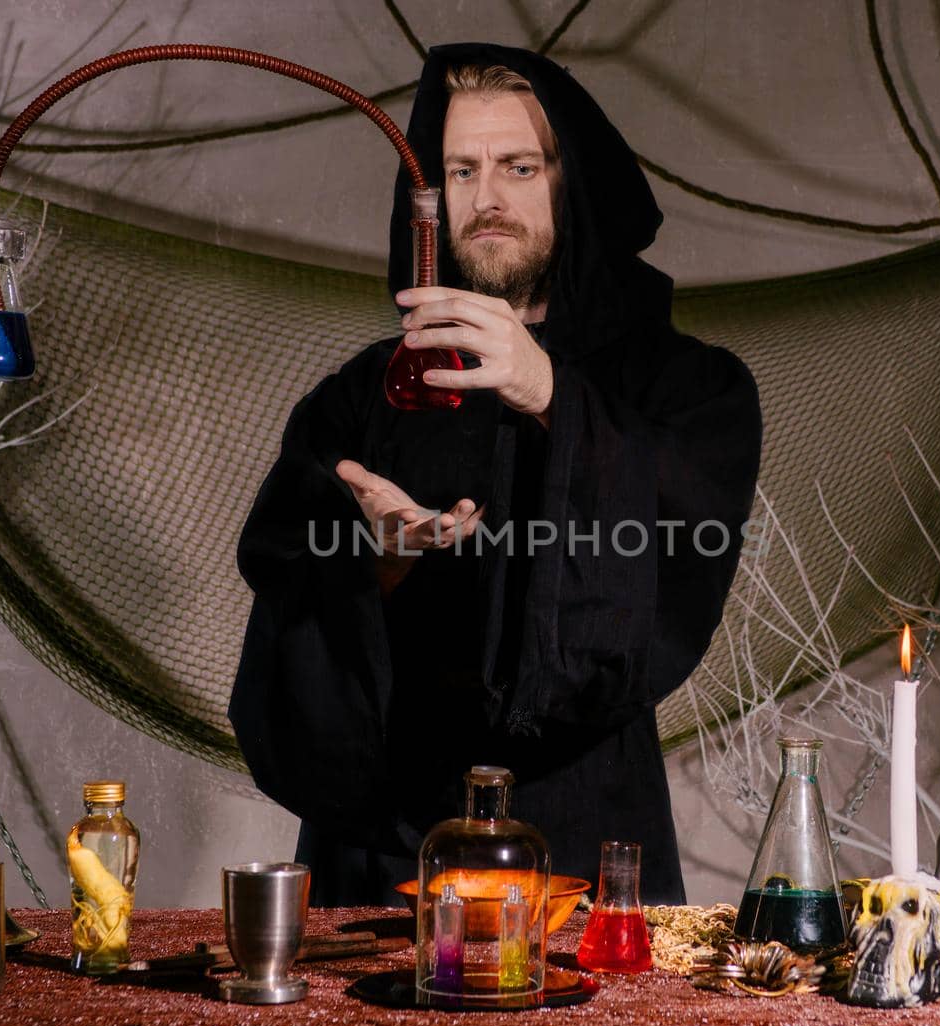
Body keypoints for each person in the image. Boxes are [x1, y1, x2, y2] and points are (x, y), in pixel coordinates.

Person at [228, 42, 762, 906]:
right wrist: (380, 559)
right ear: (428, 198)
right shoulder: (373, 388)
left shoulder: (687, 387)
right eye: (462, 171)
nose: (488, 199)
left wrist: (549, 390)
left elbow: (682, 539)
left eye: (518, 167)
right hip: (384, 841)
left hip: (582, 836)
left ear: (568, 180)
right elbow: (283, 560)